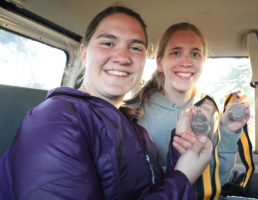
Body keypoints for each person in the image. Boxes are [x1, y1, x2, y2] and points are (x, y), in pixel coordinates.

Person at [0, 6, 213, 200]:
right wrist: (183, 177)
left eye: (135, 48)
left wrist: (181, 151)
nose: (122, 57)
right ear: (84, 53)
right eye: (108, 43)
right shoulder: (55, 121)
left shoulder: (137, 133)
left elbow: (150, 191)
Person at [126, 22, 250, 198]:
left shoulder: (210, 108)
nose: (186, 62)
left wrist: (228, 131)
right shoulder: (132, 113)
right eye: (176, 52)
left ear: (203, 61)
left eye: (195, 54)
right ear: (160, 62)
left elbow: (217, 182)